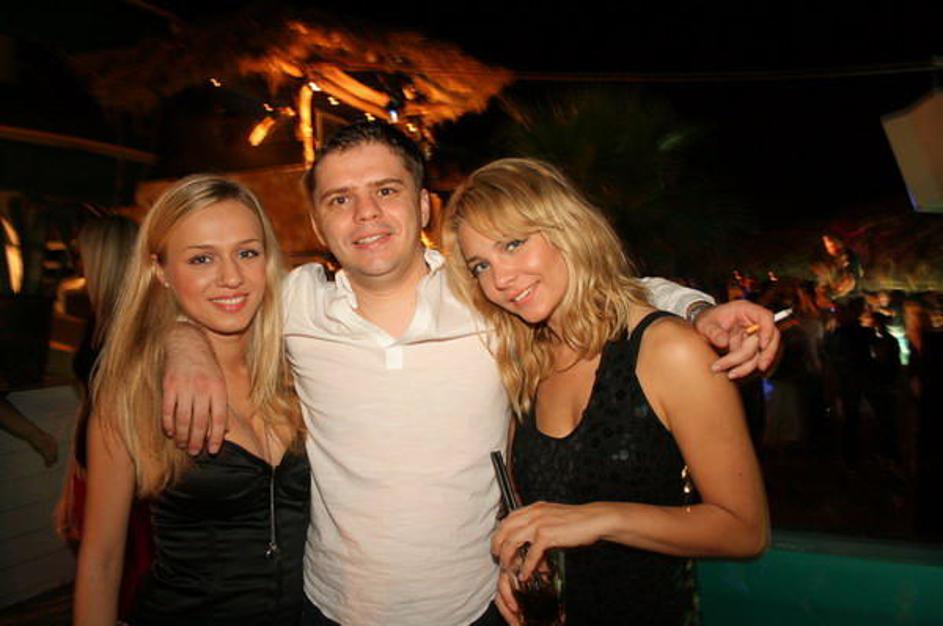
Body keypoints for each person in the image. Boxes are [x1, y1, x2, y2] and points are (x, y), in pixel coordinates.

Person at [160, 122, 780, 625]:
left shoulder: (486, 297)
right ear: (319, 225)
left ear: (423, 206)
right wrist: (180, 339)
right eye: (340, 200)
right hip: (332, 605)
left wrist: (697, 308)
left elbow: (598, 284)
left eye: (386, 191)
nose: (366, 214)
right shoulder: (295, 304)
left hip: (479, 605)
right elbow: (212, 295)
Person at [442, 158, 769, 625]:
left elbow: (745, 530)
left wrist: (601, 518)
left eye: (513, 244)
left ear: (566, 229)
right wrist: (523, 563)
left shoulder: (668, 350)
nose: (501, 279)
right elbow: (537, 508)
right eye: (481, 265)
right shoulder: (526, 360)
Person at [73, 175, 309, 626]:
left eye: (247, 252)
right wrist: (178, 335)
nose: (231, 277)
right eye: (202, 258)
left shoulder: (305, 366)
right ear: (160, 270)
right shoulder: (134, 395)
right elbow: (101, 561)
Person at [54, 215, 154, 622]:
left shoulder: (142, 328)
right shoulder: (96, 317)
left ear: (105, 257)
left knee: (125, 580)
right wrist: (72, 479)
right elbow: (89, 402)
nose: (78, 263)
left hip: (129, 480)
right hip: (92, 468)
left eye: (84, 254)